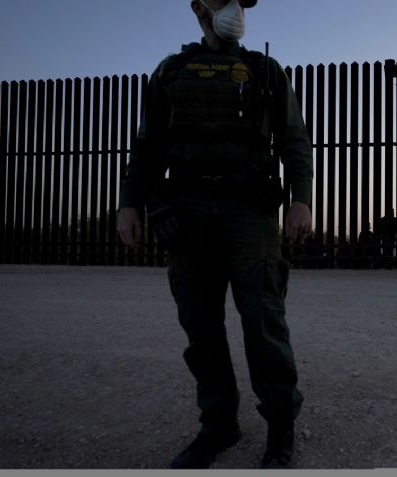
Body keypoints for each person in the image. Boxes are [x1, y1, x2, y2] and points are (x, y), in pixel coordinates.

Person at [116, 0, 313, 469]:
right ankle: (218, 425)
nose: (233, 10)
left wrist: (300, 198)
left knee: (263, 324)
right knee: (200, 327)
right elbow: (148, 144)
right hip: (187, 213)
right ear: (199, 7)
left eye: (239, 3)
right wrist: (129, 201)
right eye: (224, 0)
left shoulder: (265, 70)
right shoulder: (171, 71)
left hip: (249, 212)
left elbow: (292, 137)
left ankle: (280, 428)